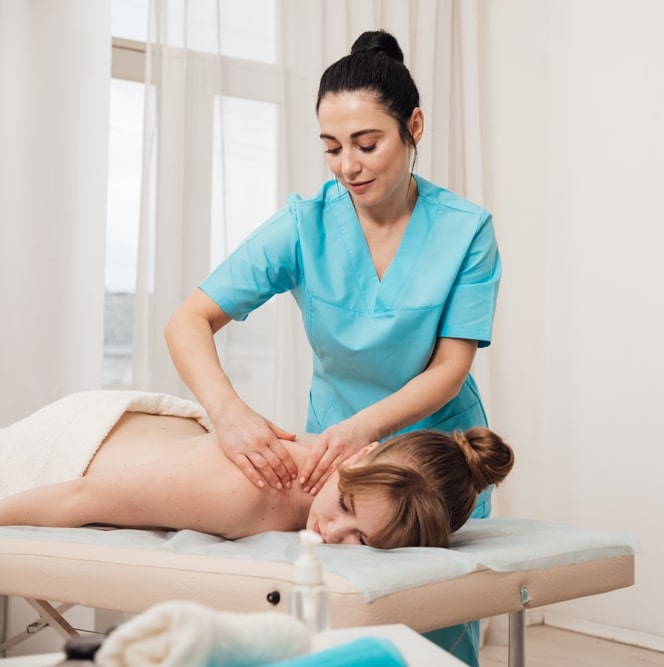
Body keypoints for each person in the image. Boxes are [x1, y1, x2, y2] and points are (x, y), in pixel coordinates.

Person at [164, 28, 502, 505]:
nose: (348, 167)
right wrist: (228, 414)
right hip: (330, 457)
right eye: (332, 147)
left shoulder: (467, 231)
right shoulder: (305, 226)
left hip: (436, 458)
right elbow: (188, 321)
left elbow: (450, 367)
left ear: (415, 127)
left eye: (367, 145)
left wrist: (363, 429)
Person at [0, 391, 514, 550]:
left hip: (149, 435)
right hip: (63, 451)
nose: (333, 533)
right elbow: (77, 497)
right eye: (347, 508)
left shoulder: (343, 468)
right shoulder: (244, 490)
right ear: (360, 453)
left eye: (362, 540)